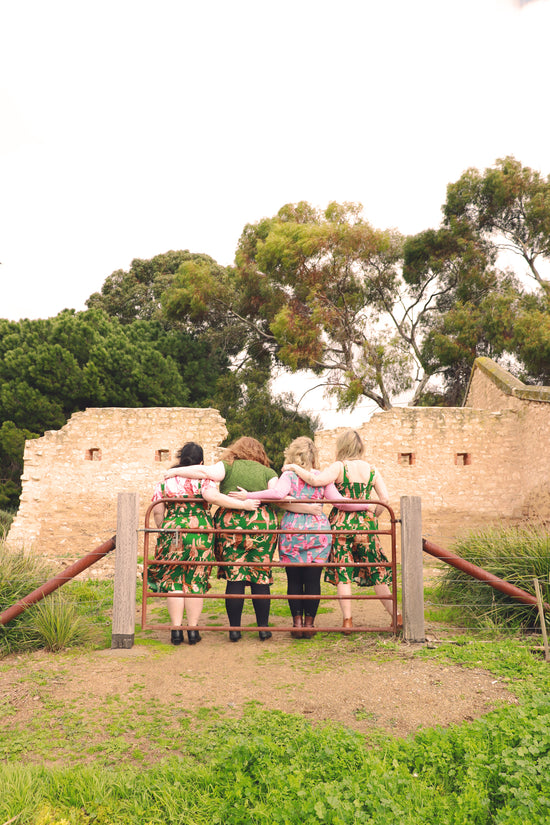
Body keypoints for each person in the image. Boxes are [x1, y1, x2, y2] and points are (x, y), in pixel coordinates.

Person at [230, 436, 375, 639]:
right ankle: (310, 624)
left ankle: (297, 623)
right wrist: (367, 504)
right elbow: (340, 502)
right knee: (313, 580)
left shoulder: (288, 476)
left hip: (292, 533)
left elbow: (277, 494)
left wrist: (249, 496)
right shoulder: (321, 476)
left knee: (294, 580)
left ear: (292, 454)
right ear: (314, 455)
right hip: (318, 533)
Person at [283, 429, 398, 633]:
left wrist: (293, 467)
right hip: (366, 525)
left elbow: (317, 481)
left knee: (343, 570)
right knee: (374, 568)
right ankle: (395, 615)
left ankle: (348, 620)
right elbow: (385, 500)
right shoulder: (372, 469)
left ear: (341, 447)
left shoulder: (339, 467)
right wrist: (374, 515)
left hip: (342, 523)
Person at [164, 437, 278, 642]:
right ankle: (263, 628)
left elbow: (205, 472)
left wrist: (174, 471)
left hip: (230, 524)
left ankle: (234, 630)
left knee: (235, 575)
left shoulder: (227, 465)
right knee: (260, 575)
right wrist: (252, 496)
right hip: (261, 523)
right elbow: (277, 493)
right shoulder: (268, 472)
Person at [148, 442, 217, 646]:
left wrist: (164, 528)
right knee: (195, 579)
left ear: (180, 459)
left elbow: (157, 510)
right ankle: (193, 631)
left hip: (173, 529)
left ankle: (176, 631)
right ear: (201, 462)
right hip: (201, 531)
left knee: (174, 580)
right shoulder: (206, 480)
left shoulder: (166, 481)